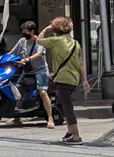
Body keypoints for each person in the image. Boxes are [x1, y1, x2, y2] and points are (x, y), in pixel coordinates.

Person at [38, 17, 90, 145]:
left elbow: (38, 40)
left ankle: (76, 136)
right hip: (73, 79)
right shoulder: (75, 43)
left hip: (62, 78)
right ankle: (70, 131)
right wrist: (84, 80)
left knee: (67, 106)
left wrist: (46, 29)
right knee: (61, 104)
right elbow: (80, 64)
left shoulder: (55, 41)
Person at [10, 21, 54, 129]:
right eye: (22, 31)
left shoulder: (40, 41)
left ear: (32, 31)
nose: (23, 34)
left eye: (25, 32)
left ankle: (50, 118)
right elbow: (12, 52)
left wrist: (27, 59)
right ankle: (16, 117)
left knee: (42, 92)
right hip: (27, 70)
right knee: (16, 89)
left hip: (40, 71)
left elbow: (39, 54)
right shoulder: (22, 41)